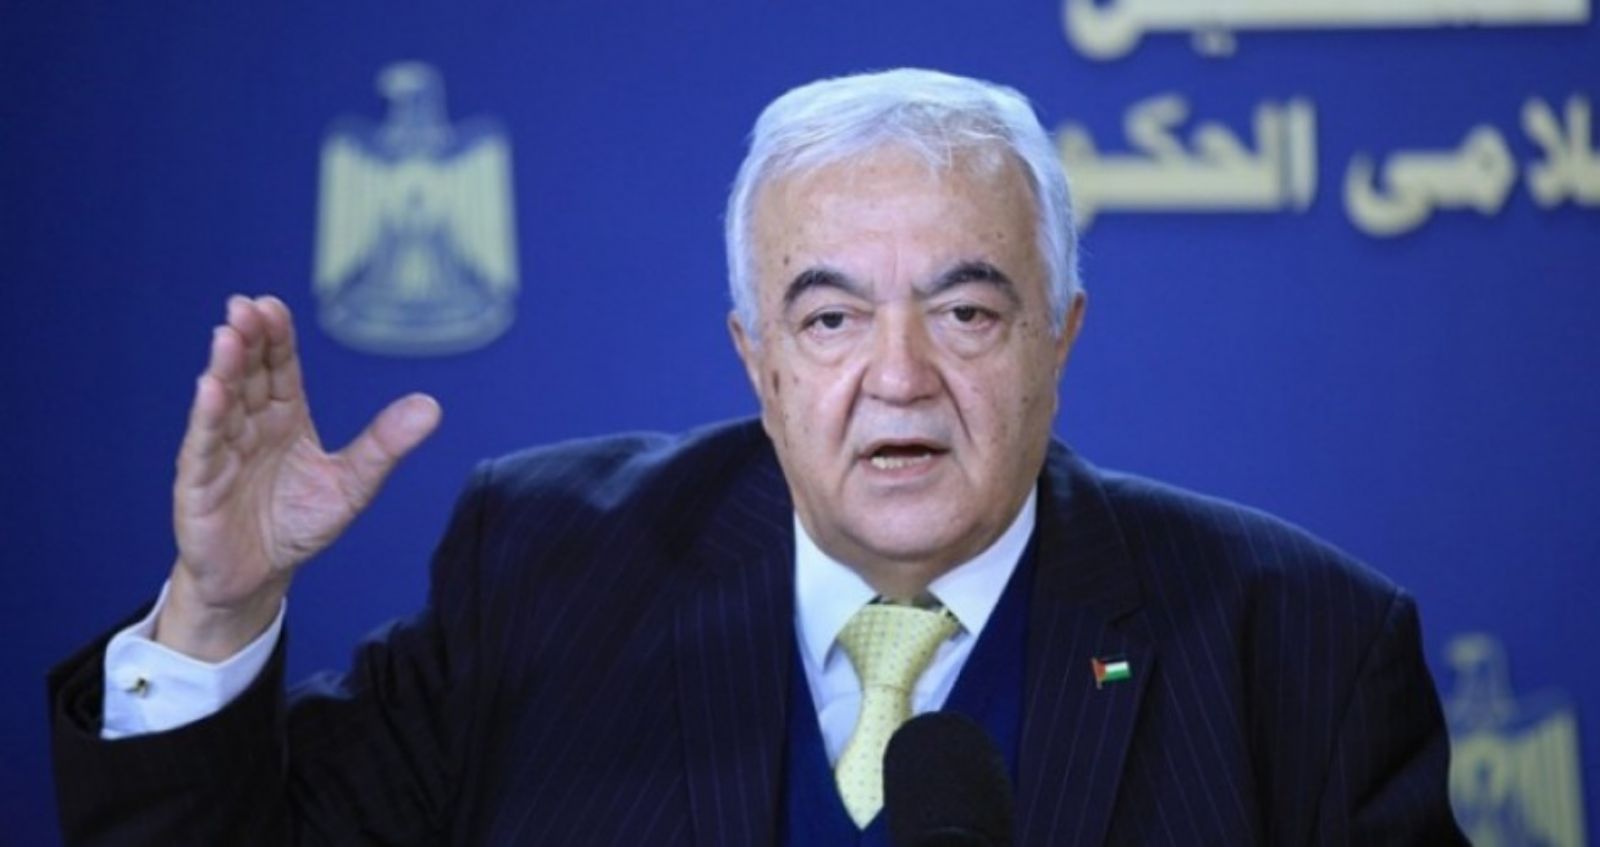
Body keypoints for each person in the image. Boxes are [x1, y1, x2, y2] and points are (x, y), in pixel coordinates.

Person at [49, 68, 1466, 845]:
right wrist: (219, 608)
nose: (898, 377)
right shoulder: (544, 574)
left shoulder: (1301, 648)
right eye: (832, 317)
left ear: (1060, 339)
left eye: (967, 313)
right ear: (756, 361)